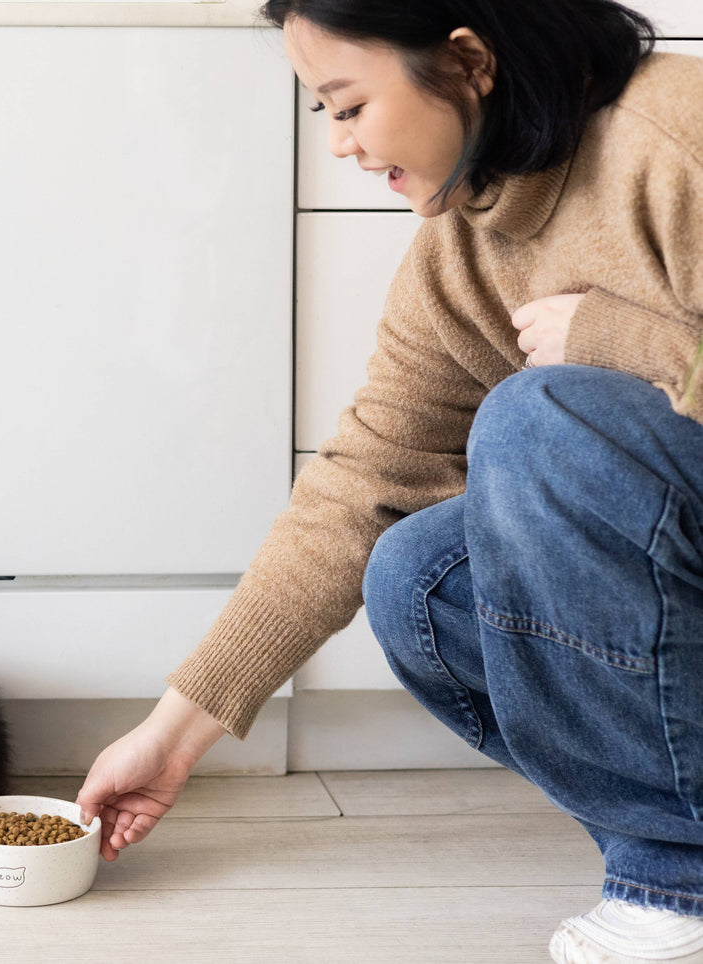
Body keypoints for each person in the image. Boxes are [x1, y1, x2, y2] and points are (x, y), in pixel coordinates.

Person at [75, 1, 703, 961]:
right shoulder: (460, 251)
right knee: (416, 575)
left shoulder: (672, 134)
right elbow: (361, 485)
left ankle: (677, 890)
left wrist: (623, 342)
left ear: (465, 62)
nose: (338, 145)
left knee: (540, 420)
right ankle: (672, 861)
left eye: (346, 104)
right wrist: (172, 737)